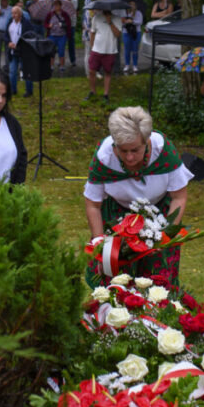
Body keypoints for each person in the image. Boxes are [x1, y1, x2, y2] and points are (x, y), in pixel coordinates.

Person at [83, 106, 193, 288]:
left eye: (135, 150)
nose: (129, 157)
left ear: (146, 141)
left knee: (159, 279)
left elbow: (179, 197)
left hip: (159, 215)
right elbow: (93, 205)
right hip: (117, 217)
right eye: (122, 150)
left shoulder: (163, 151)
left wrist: (165, 236)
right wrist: (100, 244)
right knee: (114, 275)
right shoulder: (104, 157)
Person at [86, 8, 122, 103]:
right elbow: (92, 33)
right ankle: (93, 91)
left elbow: (117, 34)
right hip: (97, 50)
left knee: (107, 72)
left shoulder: (117, 18)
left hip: (110, 50)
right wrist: (92, 46)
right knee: (91, 71)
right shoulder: (96, 18)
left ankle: (106, 94)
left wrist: (110, 22)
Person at [6, 6, 34, 97]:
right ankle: (12, 90)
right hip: (13, 52)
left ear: (20, 14)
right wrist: (9, 42)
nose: (13, 15)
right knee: (12, 72)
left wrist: (20, 44)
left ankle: (29, 91)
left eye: (15, 13)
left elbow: (30, 36)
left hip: (24, 52)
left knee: (26, 71)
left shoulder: (26, 23)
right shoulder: (10, 22)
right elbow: (5, 35)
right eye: (12, 13)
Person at [44, 0, 72, 73]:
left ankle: (62, 66)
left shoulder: (65, 14)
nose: (56, 7)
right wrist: (48, 26)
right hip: (52, 35)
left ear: (60, 6)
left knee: (61, 51)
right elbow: (45, 23)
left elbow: (69, 24)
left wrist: (63, 25)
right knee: (51, 51)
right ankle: (51, 66)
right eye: (54, 5)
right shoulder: (50, 14)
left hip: (62, 35)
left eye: (57, 5)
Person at [122, 0, 143, 73]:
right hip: (126, 33)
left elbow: (140, 22)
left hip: (136, 33)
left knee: (135, 49)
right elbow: (122, 23)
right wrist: (126, 22)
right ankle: (127, 65)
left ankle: (135, 65)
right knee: (127, 49)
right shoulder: (125, 13)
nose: (132, 6)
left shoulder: (138, 13)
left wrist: (132, 21)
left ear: (135, 6)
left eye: (133, 5)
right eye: (130, 4)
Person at [63, 0, 78, 67]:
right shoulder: (61, 1)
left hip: (71, 24)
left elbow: (72, 11)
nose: (67, 0)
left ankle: (73, 60)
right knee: (62, 43)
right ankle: (61, 60)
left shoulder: (75, 1)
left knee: (71, 43)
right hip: (63, 25)